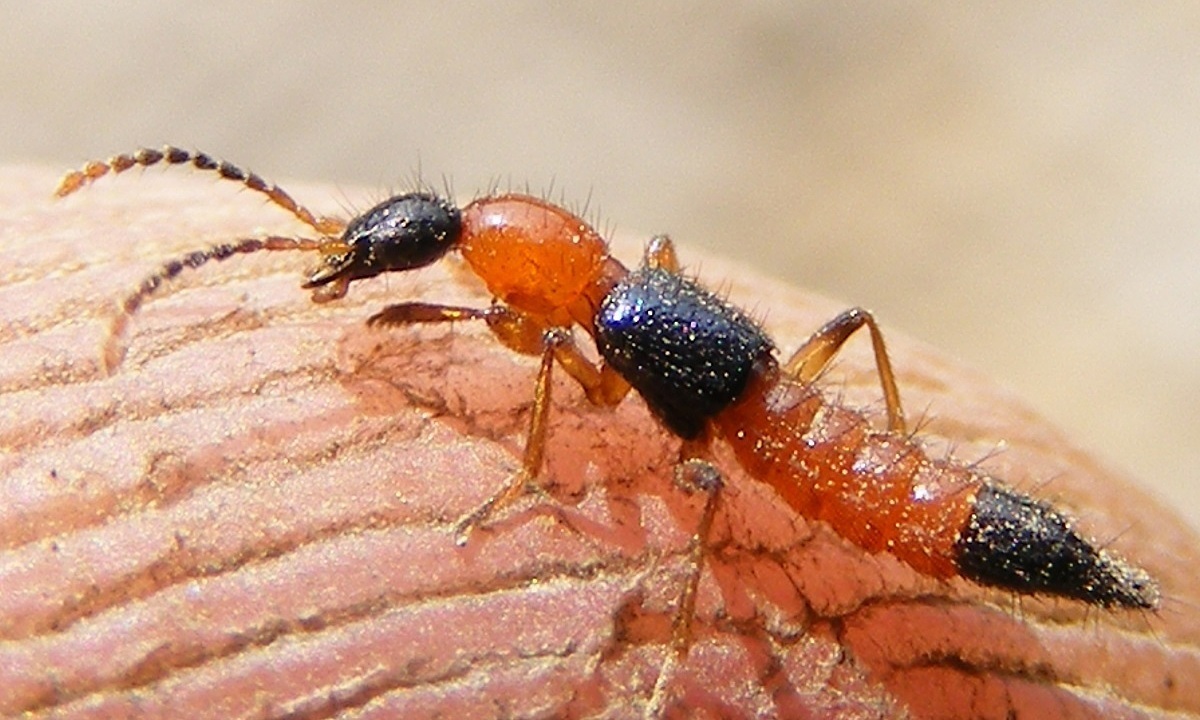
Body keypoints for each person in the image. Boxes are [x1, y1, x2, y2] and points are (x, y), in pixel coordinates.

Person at [2, 167, 1195, 717]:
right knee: (827, 352)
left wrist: (531, 475)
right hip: (814, 432)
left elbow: (568, 378)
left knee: (707, 500)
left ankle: (673, 653)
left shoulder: (595, 313)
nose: (380, 270)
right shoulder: (601, 291)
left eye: (385, 256)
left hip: (803, 455)